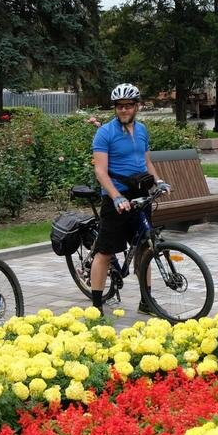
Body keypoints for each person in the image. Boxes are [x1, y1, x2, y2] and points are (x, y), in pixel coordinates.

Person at [88, 83, 170, 315]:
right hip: (117, 198)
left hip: (140, 196)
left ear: (137, 106)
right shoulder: (105, 132)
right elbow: (101, 172)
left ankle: (147, 302)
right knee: (105, 252)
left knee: (146, 248)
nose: (123, 110)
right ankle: (96, 308)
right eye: (119, 106)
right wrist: (116, 197)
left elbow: (147, 163)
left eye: (128, 106)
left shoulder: (142, 130)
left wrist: (159, 181)